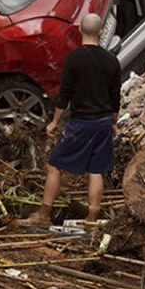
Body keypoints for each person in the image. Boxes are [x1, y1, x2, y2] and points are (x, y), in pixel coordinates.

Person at [28, 13, 121, 227]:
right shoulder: (111, 61)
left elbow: (65, 95)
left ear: (80, 31)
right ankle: (91, 218)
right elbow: (115, 97)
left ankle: (43, 215)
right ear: (100, 32)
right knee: (96, 171)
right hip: (102, 123)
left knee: (54, 166)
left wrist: (54, 122)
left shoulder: (73, 59)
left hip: (81, 123)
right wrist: (113, 123)